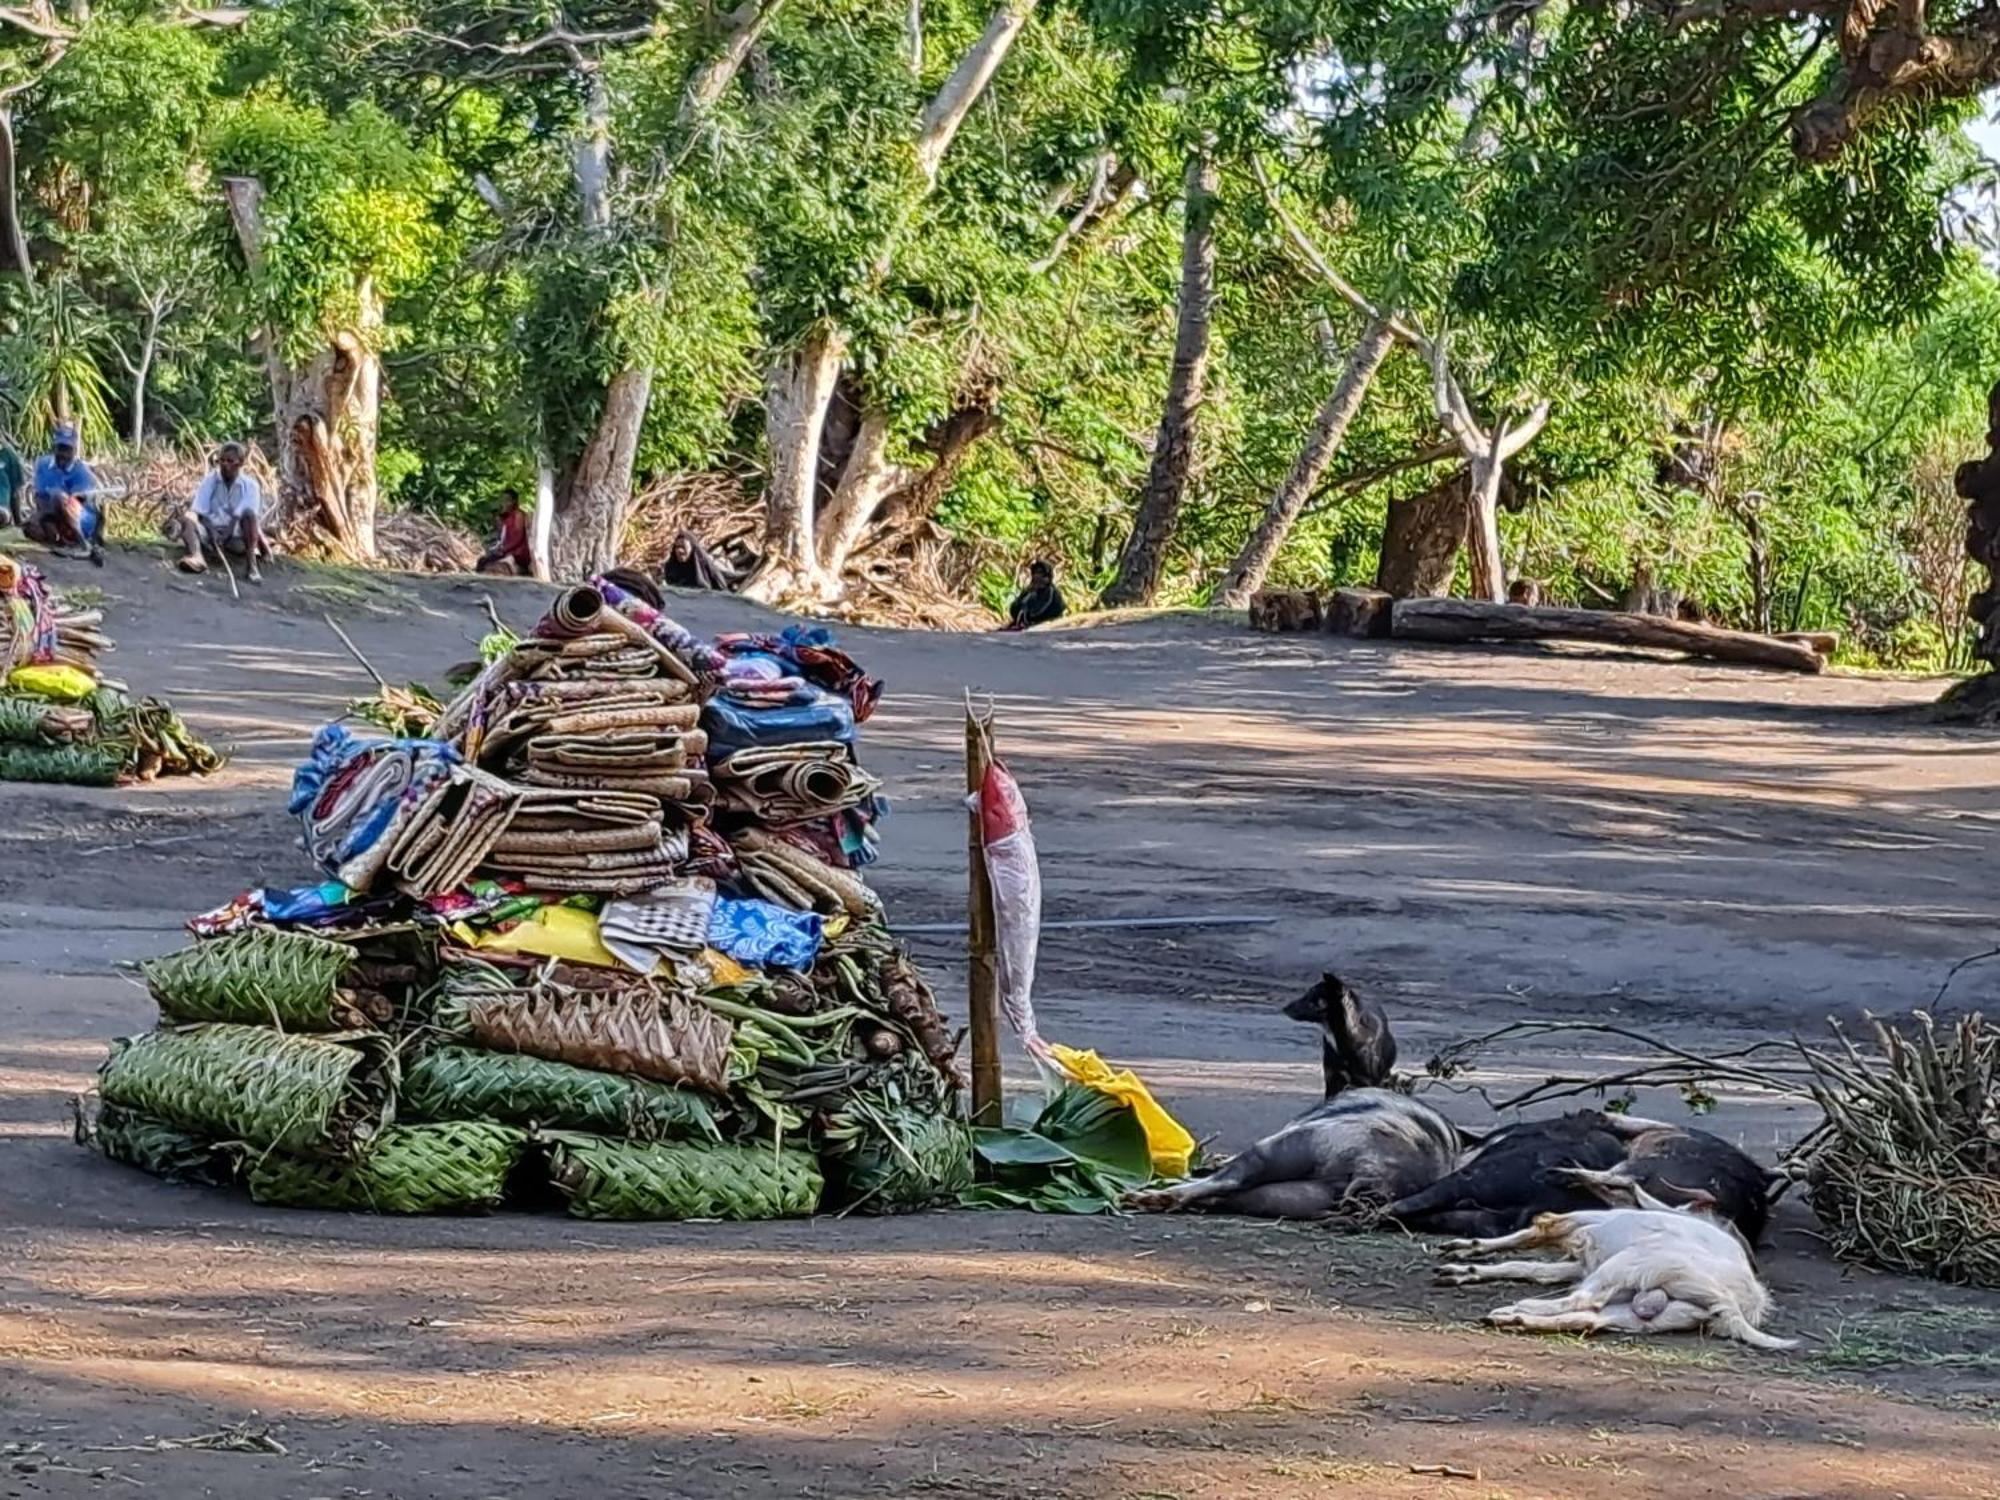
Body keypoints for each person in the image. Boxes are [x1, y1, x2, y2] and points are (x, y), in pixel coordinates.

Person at [177, 441, 268, 584]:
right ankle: (196, 557)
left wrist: (227, 533)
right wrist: (212, 531)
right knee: (187, 518)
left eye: (230, 461)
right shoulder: (210, 480)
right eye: (222, 460)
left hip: (237, 536)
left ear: (240, 463)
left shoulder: (251, 486)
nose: (225, 465)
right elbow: (200, 510)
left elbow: (242, 514)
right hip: (211, 530)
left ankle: (252, 567)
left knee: (249, 515)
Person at [22, 424, 103, 565]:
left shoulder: (81, 471)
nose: (64, 454)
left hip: (80, 518)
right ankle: (60, 540)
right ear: (54, 447)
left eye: (68, 449)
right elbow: (40, 497)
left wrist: (44, 513)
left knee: (59, 498)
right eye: (61, 448)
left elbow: (75, 503)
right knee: (30, 527)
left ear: (74, 450)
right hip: (53, 514)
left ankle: (82, 543)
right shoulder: (43, 464)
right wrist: (42, 518)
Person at [476, 489, 533, 575]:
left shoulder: (518, 515)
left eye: (507, 500)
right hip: (506, 550)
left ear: (513, 502)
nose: (503, 503)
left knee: (500, 564)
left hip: (517, 553)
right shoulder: (506, 518)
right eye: (502, 500)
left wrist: (505, 549)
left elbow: (518, 538)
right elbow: (502, 537)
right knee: (482, 561)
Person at [660, 529, 733, 591]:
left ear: (692, 549)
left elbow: (721, 590)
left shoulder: (705, 568)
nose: (680, 551)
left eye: (683, 547)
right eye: (677, 547)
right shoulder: (671, 569)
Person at [1005, 559, 1066, 631]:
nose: (1037, 576)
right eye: (1035, 573)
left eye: (1040, 573)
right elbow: (1014, 609)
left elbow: (1043, 611)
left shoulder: (1052, 593)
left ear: (1048, 577)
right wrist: (1026, 596)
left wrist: (1029, 618)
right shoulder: (1029, 591)